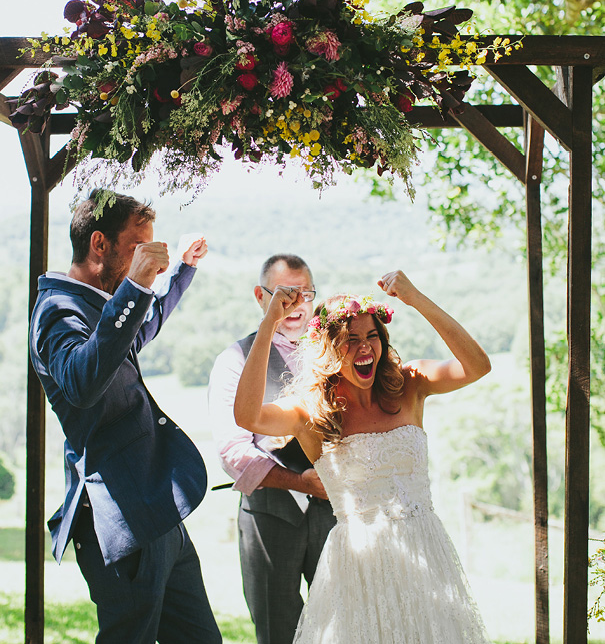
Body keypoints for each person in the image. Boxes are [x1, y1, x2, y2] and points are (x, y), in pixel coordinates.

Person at [234, 269, 492, 644]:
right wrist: (270, 322)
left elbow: (477, 366)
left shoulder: (410, 384)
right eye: (350, 340)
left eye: (372, 336)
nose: (365, 348)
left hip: (424, 553)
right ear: (328, 348)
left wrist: (416, 298)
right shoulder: (310, 411)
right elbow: (247, 416)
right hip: (358, 569)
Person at [29, 189, 221, 644]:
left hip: (159, 513)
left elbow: (139, 328)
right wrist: (134, 288)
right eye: (138, 248)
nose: (148, 261)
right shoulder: (56, 311)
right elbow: (82, 382)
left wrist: (182, 270)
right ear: (99, 243)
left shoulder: (102, 305)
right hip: (119, 521)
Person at [208, 254, 336, 644]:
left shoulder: (333, 352)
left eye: (305, 294)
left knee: (343, 625)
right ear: (260, 296)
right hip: (269, 515)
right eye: (285, 294)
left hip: (334, 514)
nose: (296, 305)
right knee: (277, 632)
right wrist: (298, 482)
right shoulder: (234, 360)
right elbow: (232, 450)